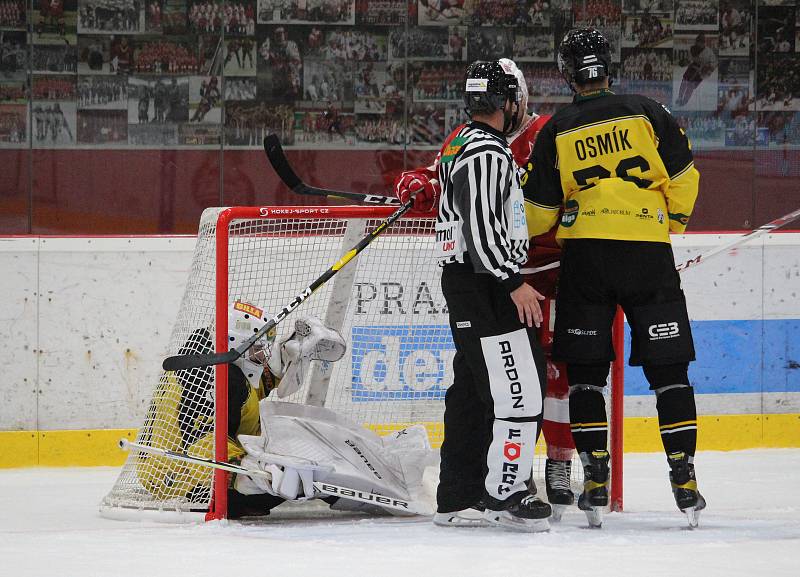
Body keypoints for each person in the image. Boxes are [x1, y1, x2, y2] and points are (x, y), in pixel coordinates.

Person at [525, 27, 705, 528]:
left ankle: (595, 477)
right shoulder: (648, 111)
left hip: (586, 259)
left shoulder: (556, 128)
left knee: (585, 374)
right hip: (648, 256)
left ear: (566, 73)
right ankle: (684, 477)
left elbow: (537, 214)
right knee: (669, 372)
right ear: (609, 65)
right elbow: (686, 176)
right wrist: (668, 223)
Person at [394, 58, 578, 520]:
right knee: (520, 386)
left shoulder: (463, 142)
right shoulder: (487, 152)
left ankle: (459, 493)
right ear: (509, 102)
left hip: (473, 282)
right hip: (487, 283)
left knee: (474, 390)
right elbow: (481, 227)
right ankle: (504, 491)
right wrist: (513, 281)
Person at [139, 301, 359, 518]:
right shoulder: (209, 375)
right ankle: (357, 491)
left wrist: (291, 356)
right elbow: (201, 442)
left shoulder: (225, 367)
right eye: (257, 349)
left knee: (298, 468)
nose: (263, 356)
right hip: (177, 476)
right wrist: (247, 469)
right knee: (303, 475)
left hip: (196, 470)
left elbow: (248, 397)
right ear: (235, 344)